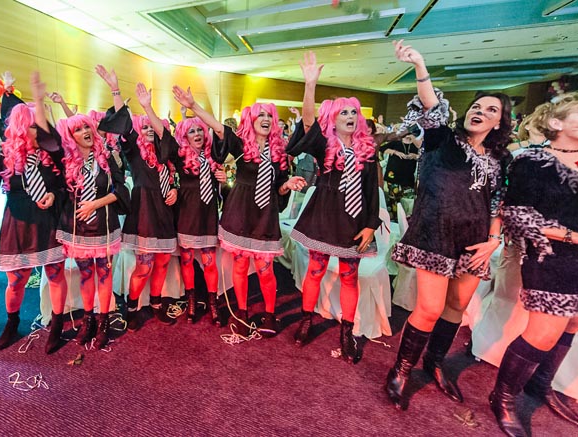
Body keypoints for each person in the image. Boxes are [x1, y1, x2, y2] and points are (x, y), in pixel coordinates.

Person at [386, 40, 513, 410]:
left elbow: (498, 202)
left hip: (475, 240)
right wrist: (420, 66)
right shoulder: (443, 139)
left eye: (490, 110)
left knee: (456, 305)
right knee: (429, 308)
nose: (479, 112)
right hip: (436, 234)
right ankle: (401, 370)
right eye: (476, 106)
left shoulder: (501, 158)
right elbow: (431, 106)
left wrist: (493, 240)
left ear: (499, 122)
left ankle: (435, 362)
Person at [172, 85, 306, 339]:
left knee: (265, 268)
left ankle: (269, 314)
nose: (266, 119)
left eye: (269, 115)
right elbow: (219, 128)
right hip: (240, 213)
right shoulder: (242, 145)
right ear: (251, 121)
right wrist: (193, 107)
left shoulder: (279, 153)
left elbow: (279, 188)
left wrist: (287, 185)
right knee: (241, 265)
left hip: (265, 216)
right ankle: (242, 312)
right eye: (260, 115)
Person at [489, 93, 578, 436]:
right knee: (543, 333)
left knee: (573, 322)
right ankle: (502, 398)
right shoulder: (531, 160)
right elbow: (516, 215)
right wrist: (572, 237)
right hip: (549, 258)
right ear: (556, 122)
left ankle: (540, 384)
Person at [286, 52, 381, 362]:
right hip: (324, 214)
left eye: (354, 112)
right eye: (344, 112)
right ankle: (306, 321)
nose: (350, 116)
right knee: (315, 271)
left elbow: (372, 190)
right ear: (333, 119)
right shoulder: (323, 144)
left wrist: (371, 224)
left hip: (355, 220)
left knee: (349, 276)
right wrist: (310, 85)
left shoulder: (368, 150)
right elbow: (308, 122)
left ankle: (347, 332)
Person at [0, 72, 68, 352]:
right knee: (16, 280)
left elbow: (65, 185)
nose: (36, 131)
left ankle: (57, 323)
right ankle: (12, 322)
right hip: (17, 223)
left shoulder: (52, 153)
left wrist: (54, 194)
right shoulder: (6, 156)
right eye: (31, 126)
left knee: (55, 273)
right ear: (19, 128)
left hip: (48, 221)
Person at [95, 66, 179, 331]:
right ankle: (131, 307)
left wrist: (175, 189)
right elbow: (125, 125)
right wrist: (115, 90)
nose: (150, 130)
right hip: (144, 211)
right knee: (144, 265)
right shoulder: (134, 151)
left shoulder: (165, 153)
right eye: (146, 127)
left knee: (163, 261)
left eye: (153, 127)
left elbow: (166, 139)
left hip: (166, 212)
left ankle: (156, 303)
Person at [135, 83, 220, 324]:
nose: (197, 134)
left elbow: (220, 131)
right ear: (184, 136)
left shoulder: (214, 156)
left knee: (209, 261)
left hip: (208, 214)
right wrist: (147, 107)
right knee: (187, 259)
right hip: (186, 214)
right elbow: (162, 134)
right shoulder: (179, 156)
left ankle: (213, 304)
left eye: (200, 130)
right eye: (191, 131)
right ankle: (191, 301)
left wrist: (222, 179)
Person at [55, 107, 130, 349]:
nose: (85, 131)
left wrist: (95, 204)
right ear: (71, 136)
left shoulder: (107, 156)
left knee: (104, 274)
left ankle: (104, 321)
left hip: (104, 226)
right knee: (86, 274)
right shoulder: (65, 161)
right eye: (78, 129)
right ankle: (88, 320)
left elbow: (122, 190)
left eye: (87, 126)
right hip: (78, 228)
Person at [379, 132, 421, 218]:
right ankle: (394, 218)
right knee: (393, 200)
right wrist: (394, 152)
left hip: (408, 177)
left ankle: (407, 218)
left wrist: (415, 156)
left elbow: (423, 156)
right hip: (393, 176)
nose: (407, 135)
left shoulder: (416, 145)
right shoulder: (396, 142)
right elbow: (381, 148)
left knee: (408, 200)